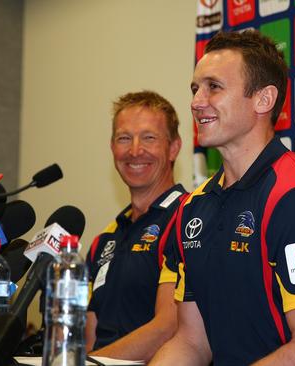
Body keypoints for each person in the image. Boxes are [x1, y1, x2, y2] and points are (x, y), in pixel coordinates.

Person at [150, 30, 295, 366]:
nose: (196, 101)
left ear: (264, 99)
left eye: (214, 87)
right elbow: (191, 342)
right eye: (195, 88)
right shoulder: (193, 208)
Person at [85, 91, 187, 362]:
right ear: (112, 147)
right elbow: (90, 334)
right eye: (124, 138)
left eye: (149, 137)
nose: (134, 151)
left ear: (174, 147)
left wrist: (92, 363)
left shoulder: (188, 220)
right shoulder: (104, 239)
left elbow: (170, 326)